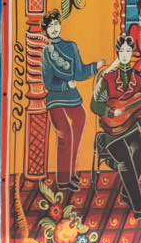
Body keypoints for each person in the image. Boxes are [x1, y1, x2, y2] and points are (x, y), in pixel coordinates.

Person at [40, 10, 104, 190]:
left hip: (72, 97)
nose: (53, 29)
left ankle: (72, 173)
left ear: (60, 25)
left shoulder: (71, 46)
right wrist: (66, 84)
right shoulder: (47, 52)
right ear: (45, 31)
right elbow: (47, 81)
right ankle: (63, 179)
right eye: (49, 27)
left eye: (55, 24)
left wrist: (95, 67)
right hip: (55, 99)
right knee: (65, 133)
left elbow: (79, 71)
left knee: (80, 119)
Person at [91, 36, 141, 222]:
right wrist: (110, 111)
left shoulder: (139, 79)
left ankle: (126, 193)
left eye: (128, 51)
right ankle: (139, 209)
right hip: (113, 133)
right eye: (122, 51)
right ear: (117, 53)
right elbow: (95, 105)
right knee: (125, 161)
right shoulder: (108, 78)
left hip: (131, 129)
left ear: (132, 54)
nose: (125, 55)